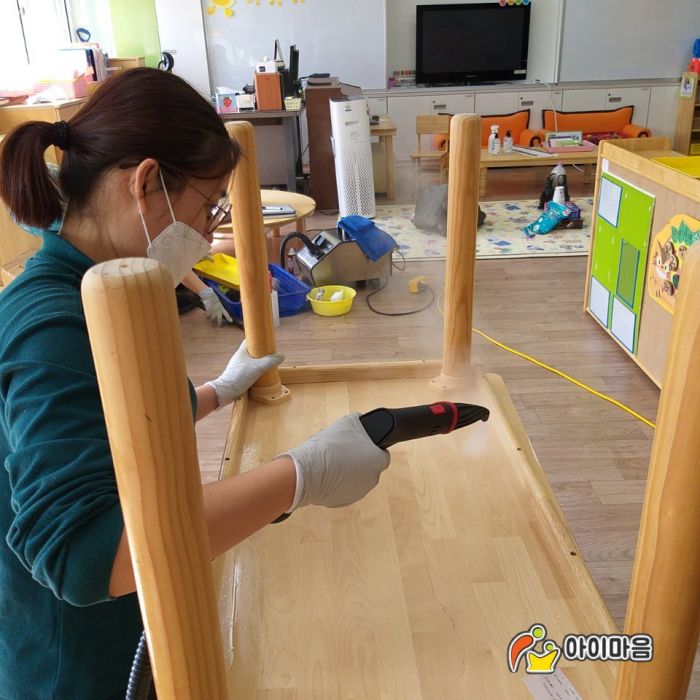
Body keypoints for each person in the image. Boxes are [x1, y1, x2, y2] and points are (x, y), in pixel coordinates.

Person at [0, 67, 390, 700]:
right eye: (208, 208)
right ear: (145, 183)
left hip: (125, 625)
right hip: (76, 670)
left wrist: (215, 392)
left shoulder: (101, 287)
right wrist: (299, 477)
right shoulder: (52, 324)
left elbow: (110, 427)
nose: (208, 236)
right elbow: (80, 553)